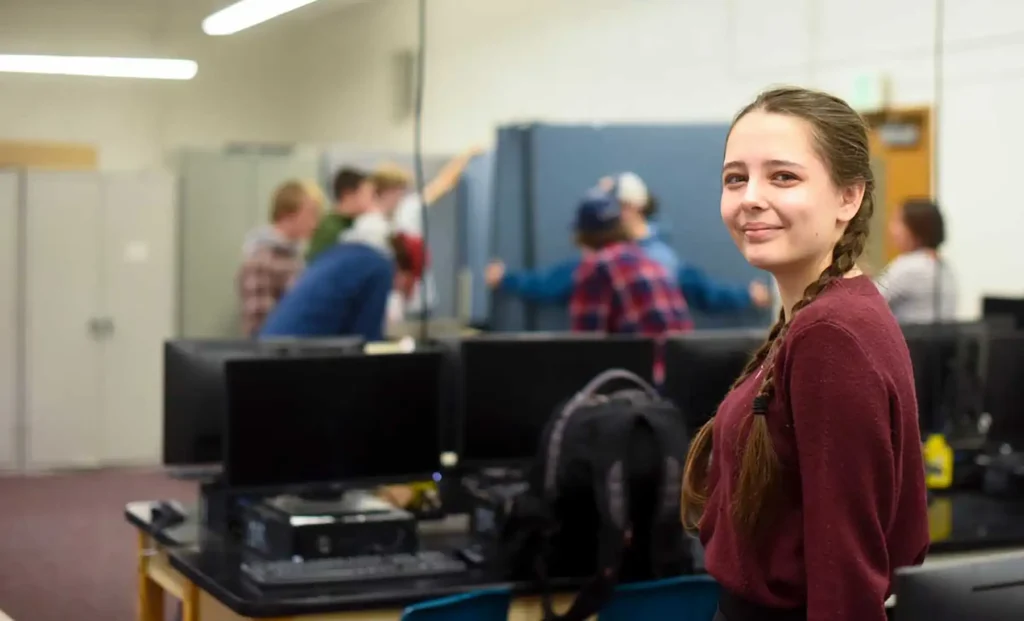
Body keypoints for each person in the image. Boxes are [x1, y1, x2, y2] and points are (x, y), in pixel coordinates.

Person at [680, 87, 928, 621]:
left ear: (849, 197)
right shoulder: (827, 314)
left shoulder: (832, 336)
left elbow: (847, 576)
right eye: (735, 178)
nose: (750, 196)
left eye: (783, 176)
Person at [485, 173, 772, 313]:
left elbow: (704, 291)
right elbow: (553, 283)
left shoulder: (656, 260)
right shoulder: (657, 258)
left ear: (630, 208)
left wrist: (745, 296)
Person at [260, 231, 427, 342]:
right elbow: (365, 342)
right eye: (406, 285)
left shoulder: (351, 253)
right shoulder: (381, 269)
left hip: (270, 344)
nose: (396, 292)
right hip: (292, 353)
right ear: (405, 272)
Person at [237, 180, 322, 336]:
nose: (315, 222)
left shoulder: (296, 258)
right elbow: (260, 325)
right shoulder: (260, 261)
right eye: (311, 213)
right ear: (287, 214)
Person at [875, 198, 957, 323]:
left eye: (897, 222)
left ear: (916, 229)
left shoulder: (909, 266)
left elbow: (866, 302)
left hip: (909, 340)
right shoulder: (944, 266)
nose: (891, 228)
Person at [305, 167, 375, 263]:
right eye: (366, 194)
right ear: (348, 194)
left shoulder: (359, 223)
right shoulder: (329, 229)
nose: (371, 201)